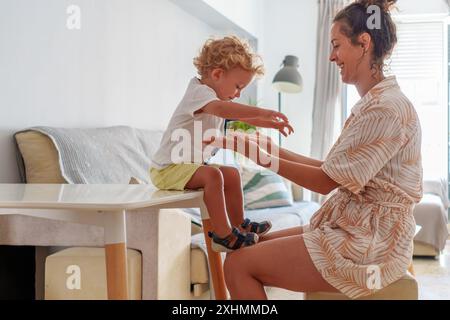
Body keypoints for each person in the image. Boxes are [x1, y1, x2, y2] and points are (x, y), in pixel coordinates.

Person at [208, 0, 423, 299]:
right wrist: (266, 147)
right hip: (358, 228)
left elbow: (324, 182)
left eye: (337, 45)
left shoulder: (385, 109)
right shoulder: (375, 104)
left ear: (363, 43)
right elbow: (330, 168)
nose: (332, 56)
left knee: (238, 265)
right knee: (249, 248)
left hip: (371, 244)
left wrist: (260, 155)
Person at [150, 36, 294, 253]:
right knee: (213, 176)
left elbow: (238, 117)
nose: (238, 94)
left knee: (232, 174)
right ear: (217, 74)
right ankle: (223, 235)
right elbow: (221, 110)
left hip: (186, 168)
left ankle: (239, 225)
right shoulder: (200, 94)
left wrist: (269, 122)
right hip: (166, 169)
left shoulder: (213, 99)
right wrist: (263, 112)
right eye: (238, 87)